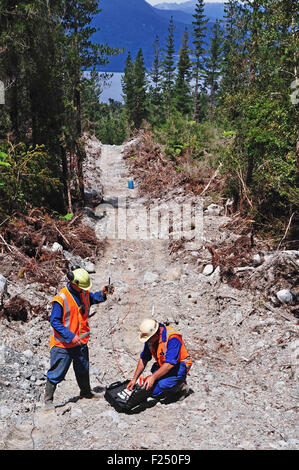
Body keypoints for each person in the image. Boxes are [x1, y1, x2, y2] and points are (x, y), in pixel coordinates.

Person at [44, 267, 114, 411]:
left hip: (80, 343)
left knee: (83, 368)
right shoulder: (61, 298)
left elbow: (92, 298)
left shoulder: (82, 292)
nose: (83, 290)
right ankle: (48, 401)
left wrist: (102, 293)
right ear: (72, 281)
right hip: (62, 345)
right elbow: (55, 322)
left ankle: (86, 392)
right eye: (81, 287)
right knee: (56, 372)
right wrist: (70, 336)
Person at [127, 319, 192, 401]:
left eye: (149, 338)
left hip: (180, 366)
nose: (148, 341)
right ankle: (168, 382)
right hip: (164, 365)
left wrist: (153, 377)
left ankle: (180, 386)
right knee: (148, 387)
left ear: (157, 334)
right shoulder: (150, 339)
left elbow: (170, 364)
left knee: (159, 387)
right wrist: (134, 379)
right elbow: (144, 358)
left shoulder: (173, 338)